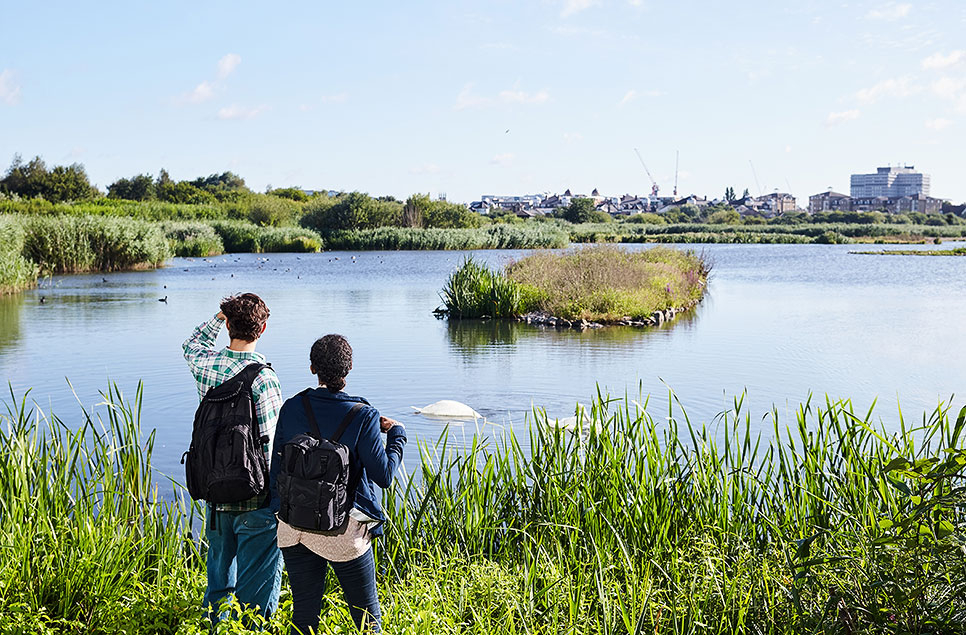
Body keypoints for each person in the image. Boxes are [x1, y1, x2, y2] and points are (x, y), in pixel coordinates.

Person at [271, 334, 406, 634]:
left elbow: (277, 468)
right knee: (367, 621)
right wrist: (397, 435)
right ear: (349, 368)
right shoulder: (363, 415)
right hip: (343, 531)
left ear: (312, 368)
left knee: (304, 616)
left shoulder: (291, 408)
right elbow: (383, 476)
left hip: (294, 528)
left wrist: (279, 514)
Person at [183, 292, 284, 625]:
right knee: (256, 599)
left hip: (215, 495)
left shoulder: (206, 366)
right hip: (255, 500)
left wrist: (220, 315)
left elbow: (191, 343)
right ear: (263, 328)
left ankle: (215, 628)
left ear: (228, 325)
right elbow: (272, 447)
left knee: (218, 589)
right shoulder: (264, 378)